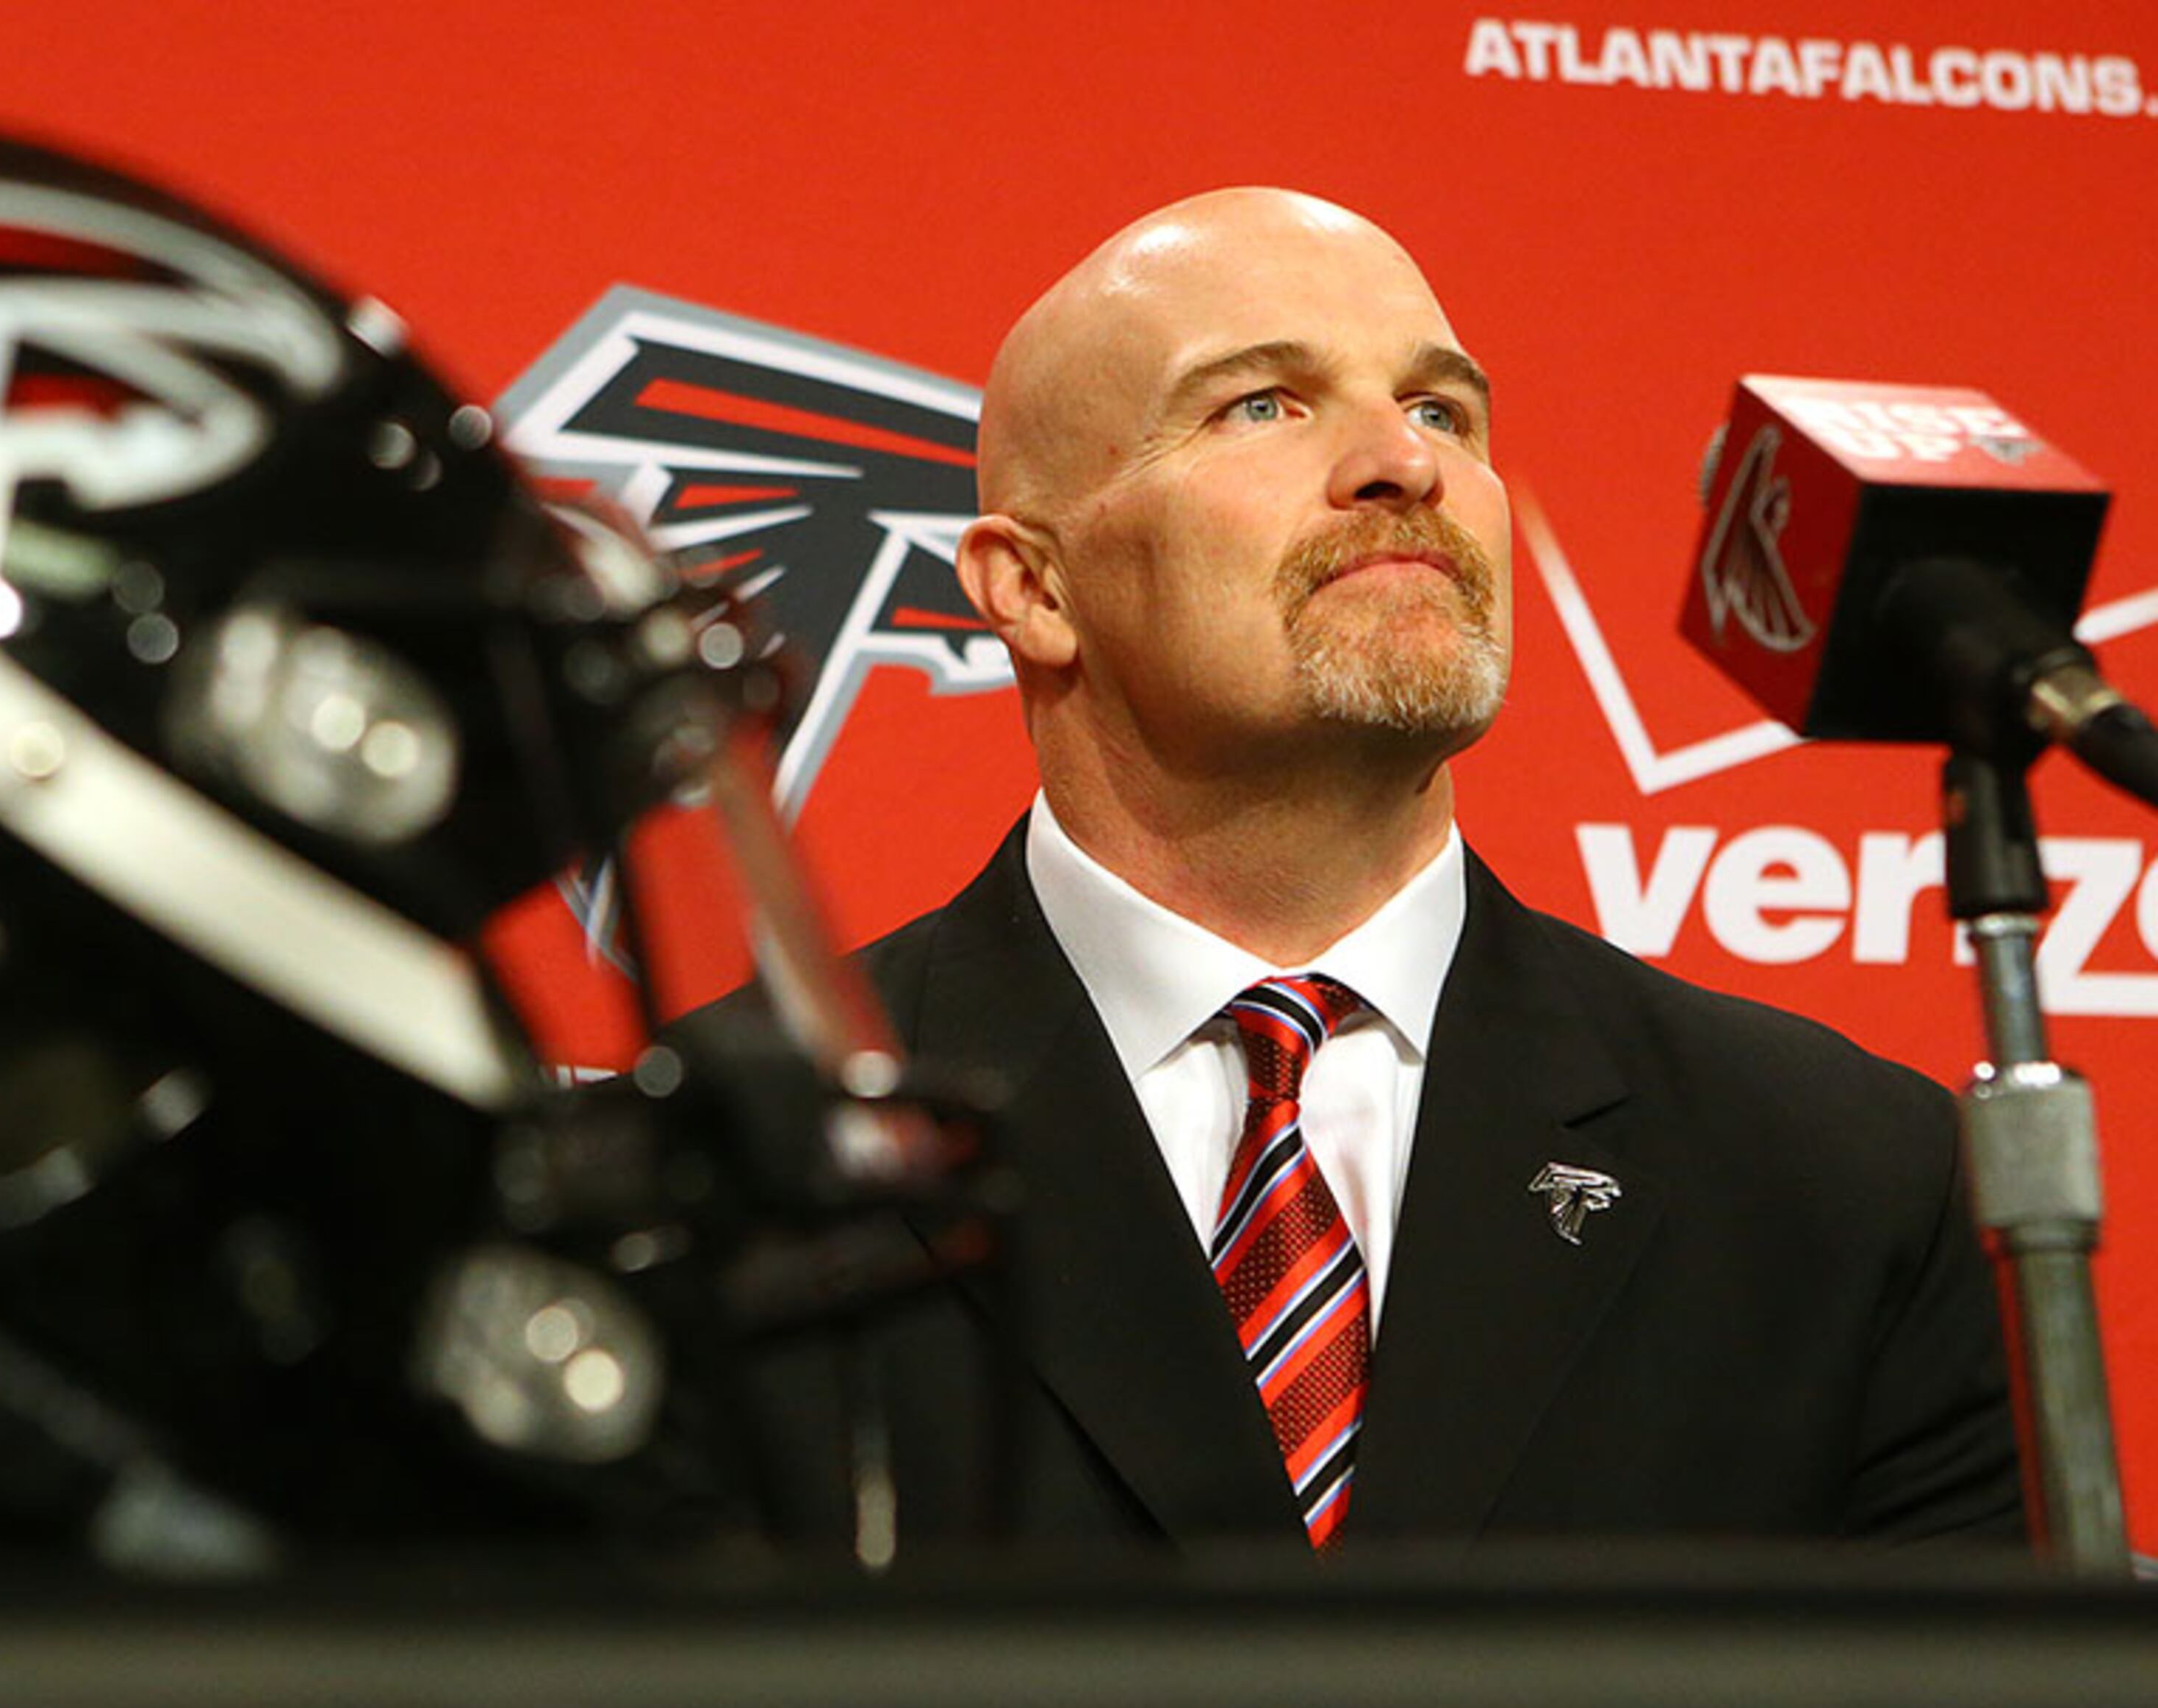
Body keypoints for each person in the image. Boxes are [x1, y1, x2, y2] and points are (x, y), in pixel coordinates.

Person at [735, 188, 2023, 1555]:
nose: (1400, 463)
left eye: (1444, 410)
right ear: (1035, 591)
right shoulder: (733, 1178)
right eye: (1262, 406)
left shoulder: (1838, 1174)